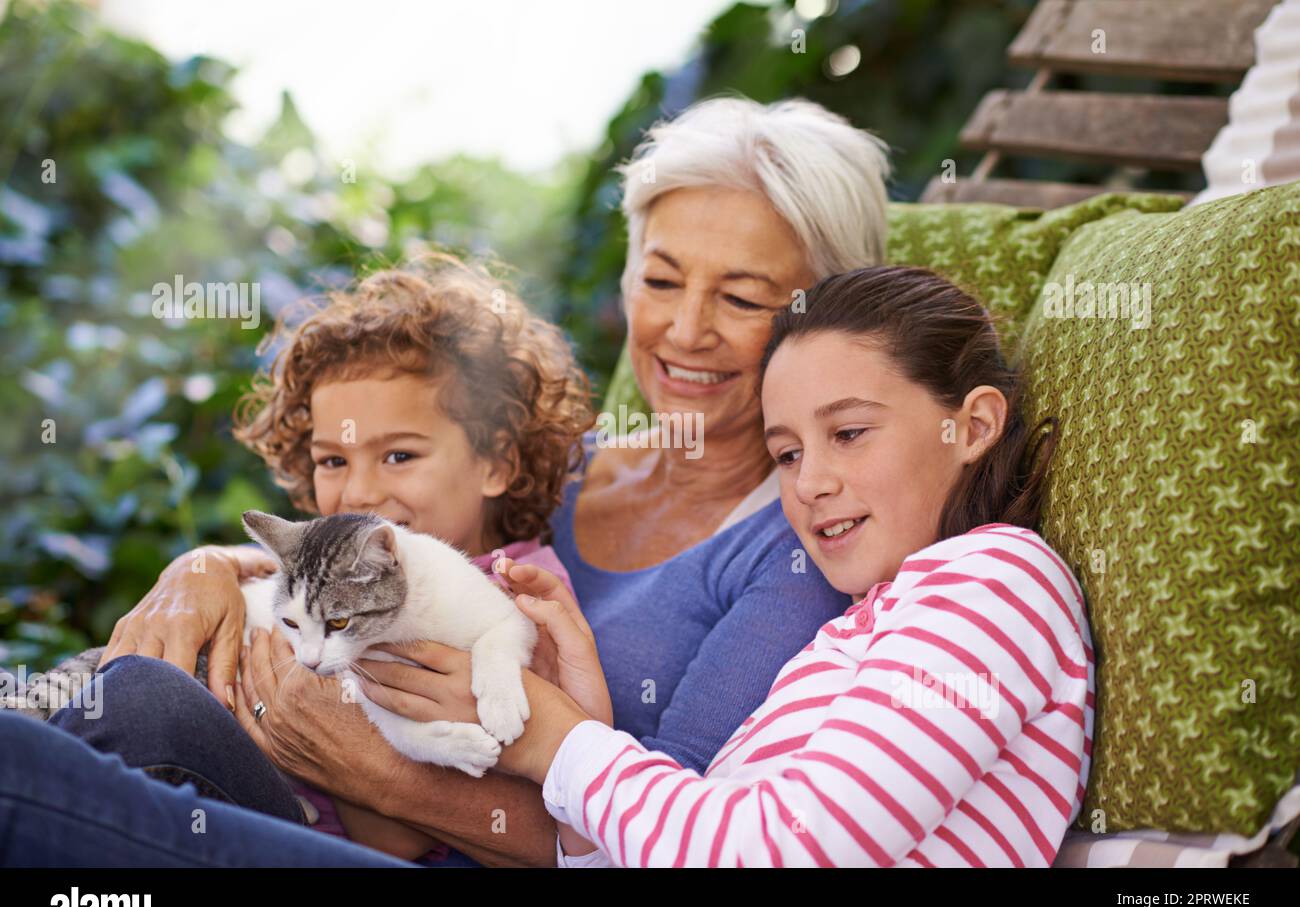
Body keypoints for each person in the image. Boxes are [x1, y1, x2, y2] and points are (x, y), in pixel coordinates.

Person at [52, 96, 892, 867]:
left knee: (132, 722)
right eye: (662, 280)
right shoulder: (555, 456)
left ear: (826, 318)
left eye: (742, 298)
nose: (684, 329)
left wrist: (379, 773)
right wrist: (199, 570)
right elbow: (357, 535)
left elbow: (660, 838)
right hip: (291, 793)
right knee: (101, 724)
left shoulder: (798, 556)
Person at [364, 266, 1095, 867]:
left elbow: (778, 849)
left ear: (972, 426)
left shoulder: (996, 581)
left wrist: (555, 741)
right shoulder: (855, 630)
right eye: (788, 453)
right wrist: (585, 725)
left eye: (848, 432)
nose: (809, 482)